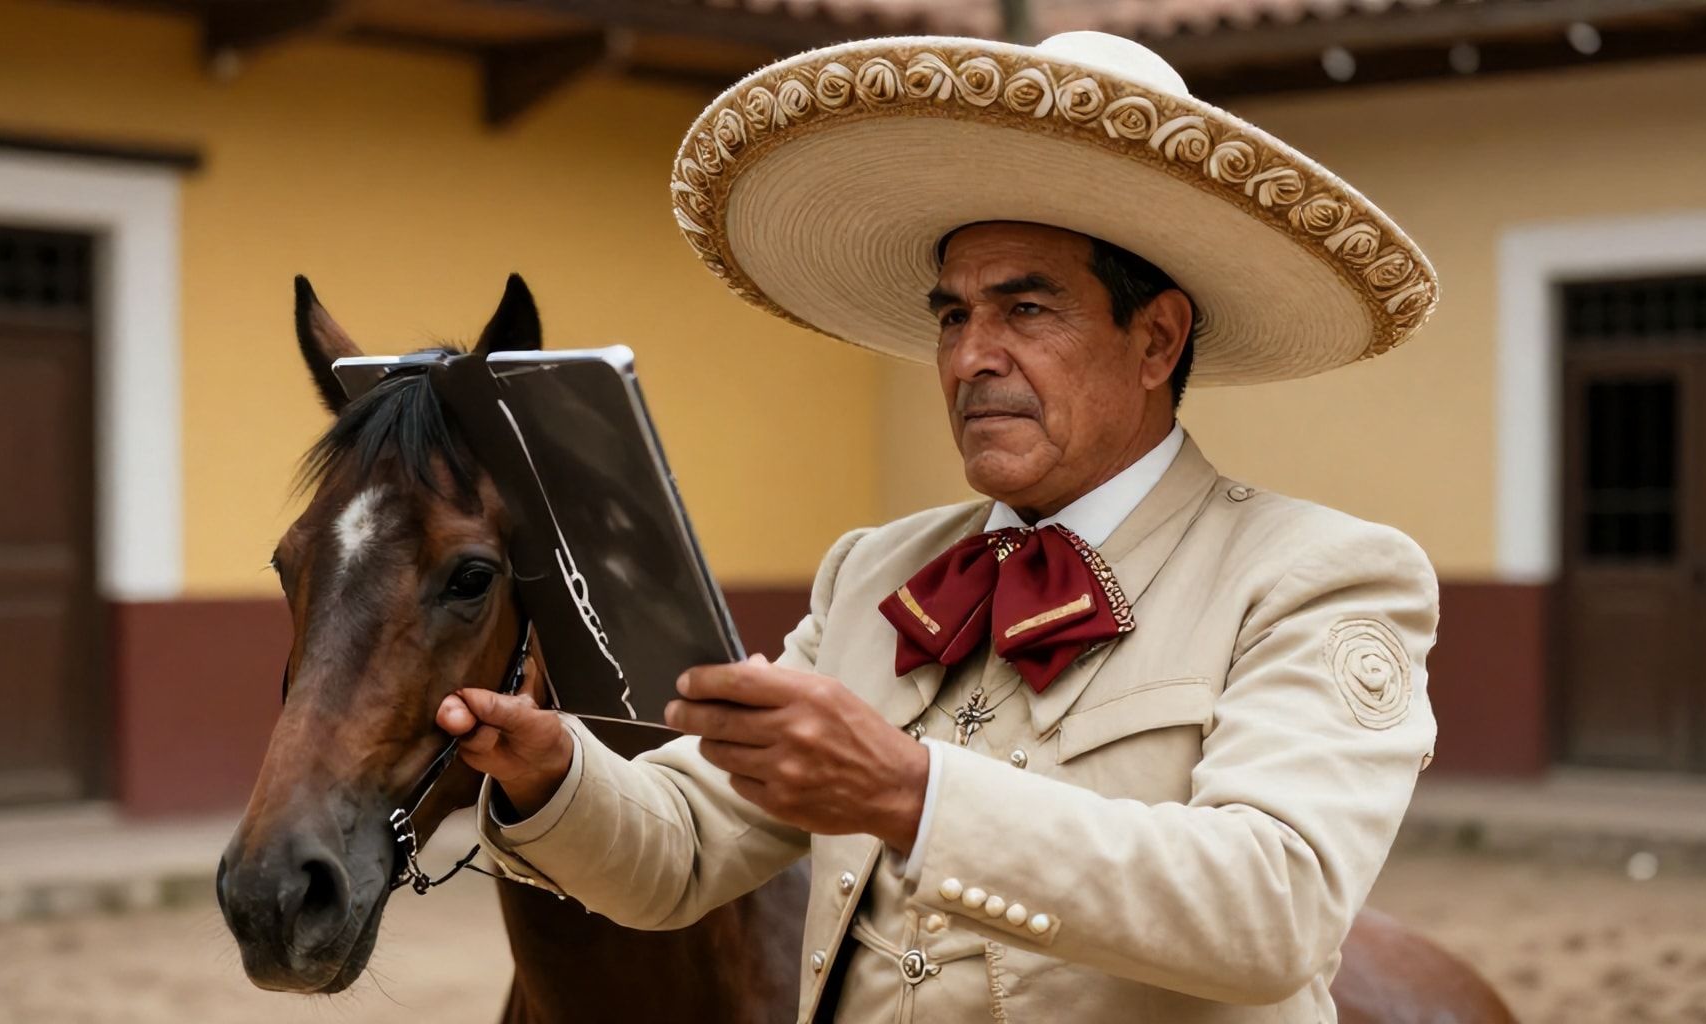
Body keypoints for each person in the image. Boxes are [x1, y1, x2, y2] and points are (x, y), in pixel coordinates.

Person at [436, 29, 1441, 1023]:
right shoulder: (873, 568)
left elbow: (1274, 911)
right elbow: (690, 845)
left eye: (1025, 309)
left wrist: (912, 792)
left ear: (1155, 337)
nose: (969, 359)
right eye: (952, 316)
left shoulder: (1320, 573)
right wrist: (553, 772)